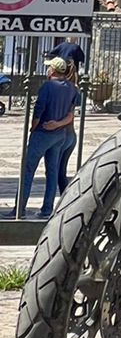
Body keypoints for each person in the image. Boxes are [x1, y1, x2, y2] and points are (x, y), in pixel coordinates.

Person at [4, 57, 80, 218]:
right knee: (52, 171)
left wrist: (33, 126)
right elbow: (70, 114)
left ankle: (19, 209)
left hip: (43, 132)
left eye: (49, 67)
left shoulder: (47, 86)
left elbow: (39, 109)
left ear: (52, 70)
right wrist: (58, 124)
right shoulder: (72, 88)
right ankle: (47, 209)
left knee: (28, 170)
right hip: (59, 134)